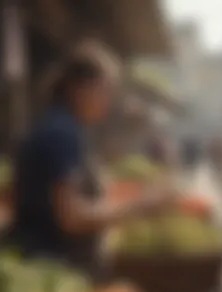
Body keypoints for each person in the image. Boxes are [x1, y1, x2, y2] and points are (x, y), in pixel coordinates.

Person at [12, 58, 175, 276]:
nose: (107, 102)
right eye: (103, 91)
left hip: (51, 261)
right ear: (79, 89)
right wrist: (139, 206)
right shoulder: (62, 133)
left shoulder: (64, 126)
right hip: (53, 266)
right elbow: (72, 216)